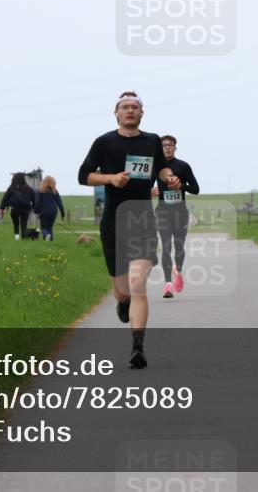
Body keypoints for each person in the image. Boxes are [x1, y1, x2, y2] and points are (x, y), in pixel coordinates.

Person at [78, 91, 180, 369]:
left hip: (143, 219)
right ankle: (122, 302)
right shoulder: (104, 142)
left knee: (138, 285)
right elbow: (83, 175)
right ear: (117, 113)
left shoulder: (152, 141)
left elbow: (160, 169)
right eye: (126, 107)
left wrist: (169, 177)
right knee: (123, 291)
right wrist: (110, 178)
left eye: (136, 107)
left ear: (142, 113)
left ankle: (137, 347)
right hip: (113, 222)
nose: (131, 111)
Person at [151, 135, 200, 299]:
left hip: (180, 212)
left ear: (175, 148)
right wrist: (150, 192)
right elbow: (145, 186)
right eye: (164, 145)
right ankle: (167, 284)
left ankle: (178, 271)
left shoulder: (183, 166)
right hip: (163, 211)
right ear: (160, 148)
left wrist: (181, 185)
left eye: (170, 145)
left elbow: (196, 189)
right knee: (166, 246)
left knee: (179, 246)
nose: (167, 148)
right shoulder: (155, 167)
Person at [0, 173, 35, 240]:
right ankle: (23, 237)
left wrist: (2, 208)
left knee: (16, 223)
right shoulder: (28, 188)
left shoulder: (11, 188)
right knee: (24, 224)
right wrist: (34, 207)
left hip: (14, 209)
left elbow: (5, 198)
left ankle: (17, 236)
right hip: (25, 209)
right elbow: (34, 197)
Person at [34, 176, 65, 241]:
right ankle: (50, 241)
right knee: (50, 227)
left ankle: (46, 236)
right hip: (54, 211)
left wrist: (36, 212)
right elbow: (60, 203)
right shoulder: (55, 191)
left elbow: (37, 202)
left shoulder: (41, 191)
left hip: (44, 211)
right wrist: (63, 214)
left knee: (43, 228)